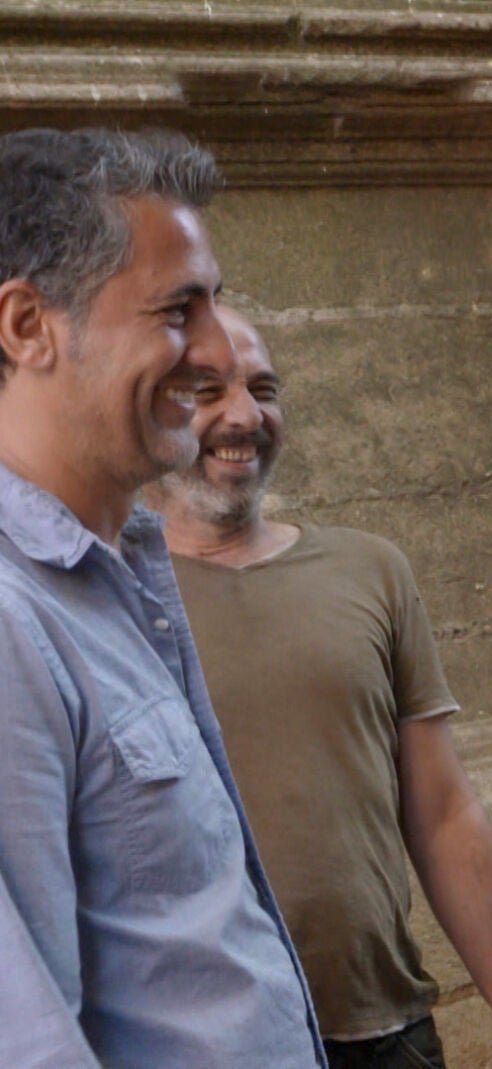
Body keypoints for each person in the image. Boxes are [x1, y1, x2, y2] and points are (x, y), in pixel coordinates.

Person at [145, 306, 492, 1069]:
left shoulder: (372, 571)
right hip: (201, 1048)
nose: (244, 415)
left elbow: (442, 812)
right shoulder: (114, 591)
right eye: (208, 391)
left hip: (386, 1037)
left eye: (265, 389)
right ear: (159, 407)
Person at [0, 128, 326, 1066]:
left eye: (214, 300)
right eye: (178, 310)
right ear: (28, 327)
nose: (216, 346)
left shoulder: (115, 573)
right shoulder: (14, 620)